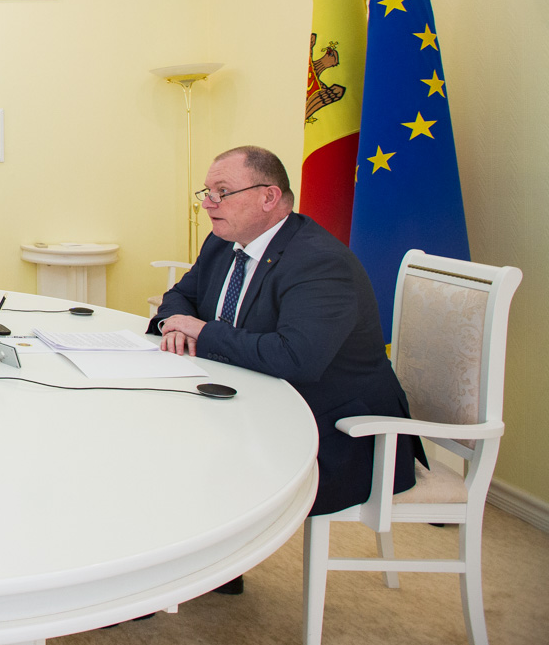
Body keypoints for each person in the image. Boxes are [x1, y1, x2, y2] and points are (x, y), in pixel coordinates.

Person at [153, 146, 423, 530]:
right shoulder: (222, 242)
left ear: (269, 197)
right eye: (207, 192)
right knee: (158, 440)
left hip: (336, 432)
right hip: (252, 404)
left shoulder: (319, 261)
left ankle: (209, 550)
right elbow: (181, 296)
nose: (208, 203)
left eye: (222, 192)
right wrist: (174, 323)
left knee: (189, 465)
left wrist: (204, 331)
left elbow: (296, 358)